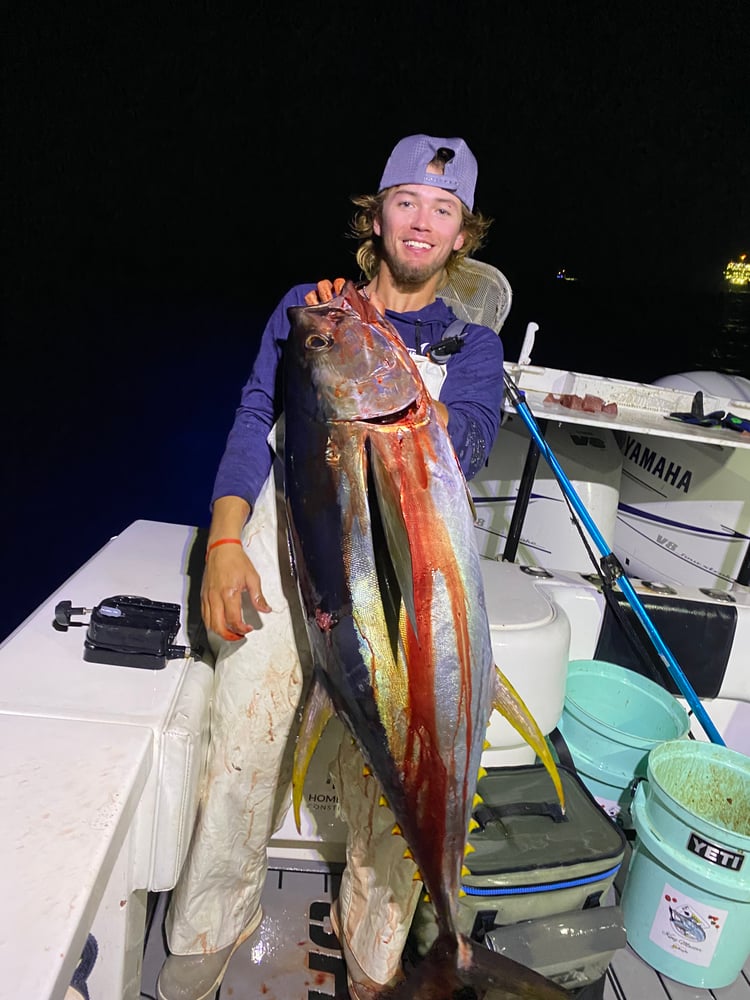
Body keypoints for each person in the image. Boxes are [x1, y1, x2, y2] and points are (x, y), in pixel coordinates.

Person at [156, 133, 505, 1000]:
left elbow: (463, 446)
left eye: (443, 209)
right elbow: (252, 418)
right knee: (246, 728)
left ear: (462, 234)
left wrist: (381, 367)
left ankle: (379, 948)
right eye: (405, 202)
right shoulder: (311, 310)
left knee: (404, 763)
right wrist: (225, 542)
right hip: (295, 550)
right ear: (376, 215)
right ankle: (212, 922)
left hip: (404, 573)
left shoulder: (472, 348)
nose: (421, 222)